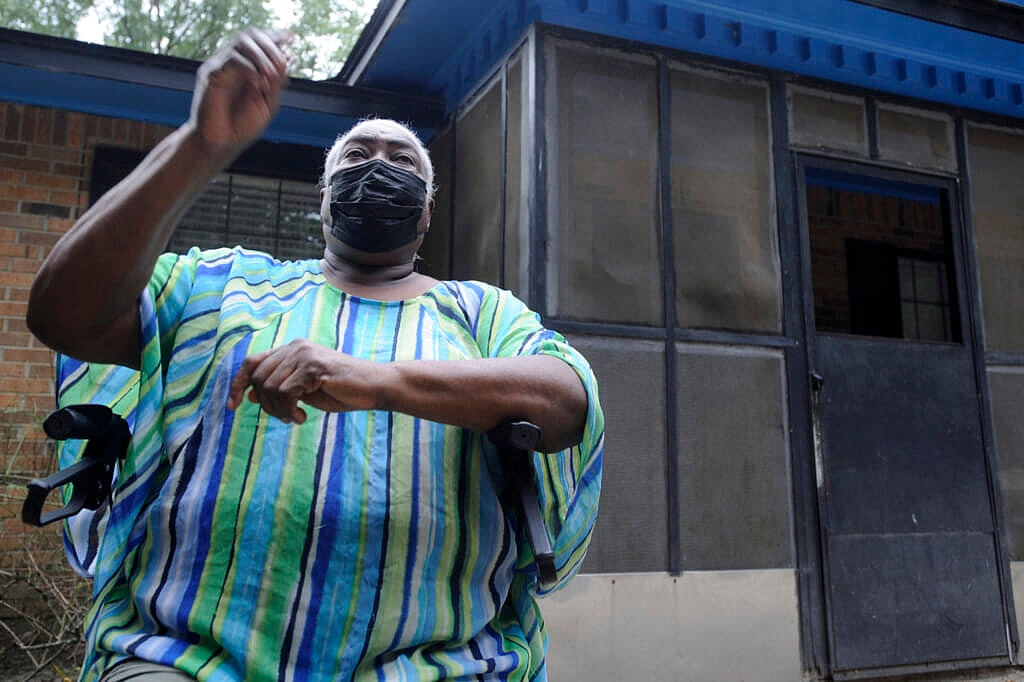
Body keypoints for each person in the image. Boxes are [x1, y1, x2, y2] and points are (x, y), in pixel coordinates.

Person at [26, 29, 604, 682]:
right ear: (324, 198)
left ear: (428, 212)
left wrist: (377, 379)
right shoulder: (221, 282)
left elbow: (567, 399)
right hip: (182, 659)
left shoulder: (483, 313)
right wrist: (200, 145)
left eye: (403, 160)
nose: (380, 162)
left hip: (440, 666)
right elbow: (62, 313)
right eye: (357, 154)